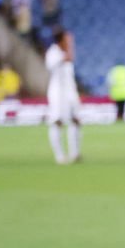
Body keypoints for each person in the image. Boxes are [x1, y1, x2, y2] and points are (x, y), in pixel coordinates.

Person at [45, 29, 82, 164]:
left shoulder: (63, 51)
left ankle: (75, 153)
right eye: (67, 39)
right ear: (61, 40)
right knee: (57, 122)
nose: (69, 41)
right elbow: (69, 58)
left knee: (76, 120)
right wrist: (70, 45)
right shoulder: (53, 53)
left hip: (70, 91)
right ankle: (59, 155)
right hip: (57, 93)